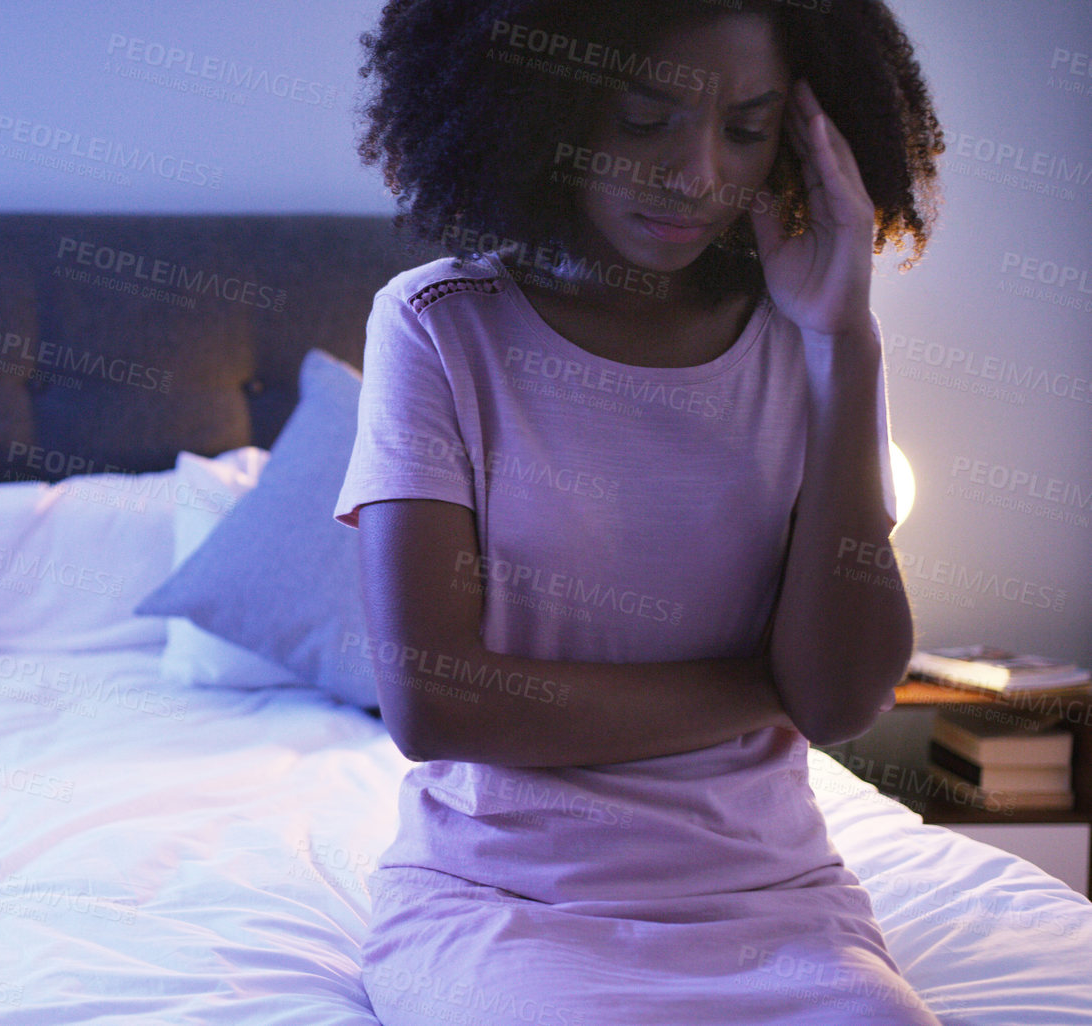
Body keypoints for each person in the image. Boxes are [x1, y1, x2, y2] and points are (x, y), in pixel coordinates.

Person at [336, 1, 942, 1023]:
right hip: (504, 904)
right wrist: (764, 685)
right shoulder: (439, 329)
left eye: (746, 130)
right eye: (643, 118)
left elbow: (839, 701)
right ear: (542, 110)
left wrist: (847, 340)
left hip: (774, 903)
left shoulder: (807, 340)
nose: (699, 173)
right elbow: (436, 705)